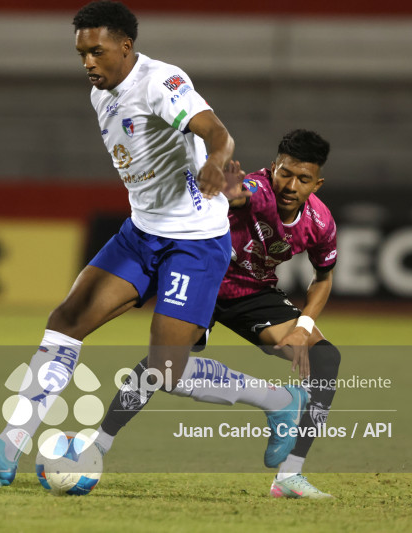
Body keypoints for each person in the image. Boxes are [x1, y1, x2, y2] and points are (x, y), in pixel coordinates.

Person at [0, 0, 308, 487]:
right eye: (81, 54)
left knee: (167, 371)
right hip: (141, 233)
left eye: (97, 52)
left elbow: (216, 131)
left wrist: (215, 163)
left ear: (126, 46)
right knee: (66, 321)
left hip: (194, 243)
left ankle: (280, 401)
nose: (88, 63)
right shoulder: (102, 94)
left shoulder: (160, 82)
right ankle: (5, 449)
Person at [95, 129, 341, 499]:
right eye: (285, 174)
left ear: (317, 183)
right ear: (273, 168)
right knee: (161, 370)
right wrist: (234, 195)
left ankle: (290, 475)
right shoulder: (258, 190)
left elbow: (323, 278)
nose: (291, 185)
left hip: (252, 292)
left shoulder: (320, 224)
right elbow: (243, 196)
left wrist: (304, 327)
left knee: (326, 359)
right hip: (203, 277)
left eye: (303, 179)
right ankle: (97, 447)